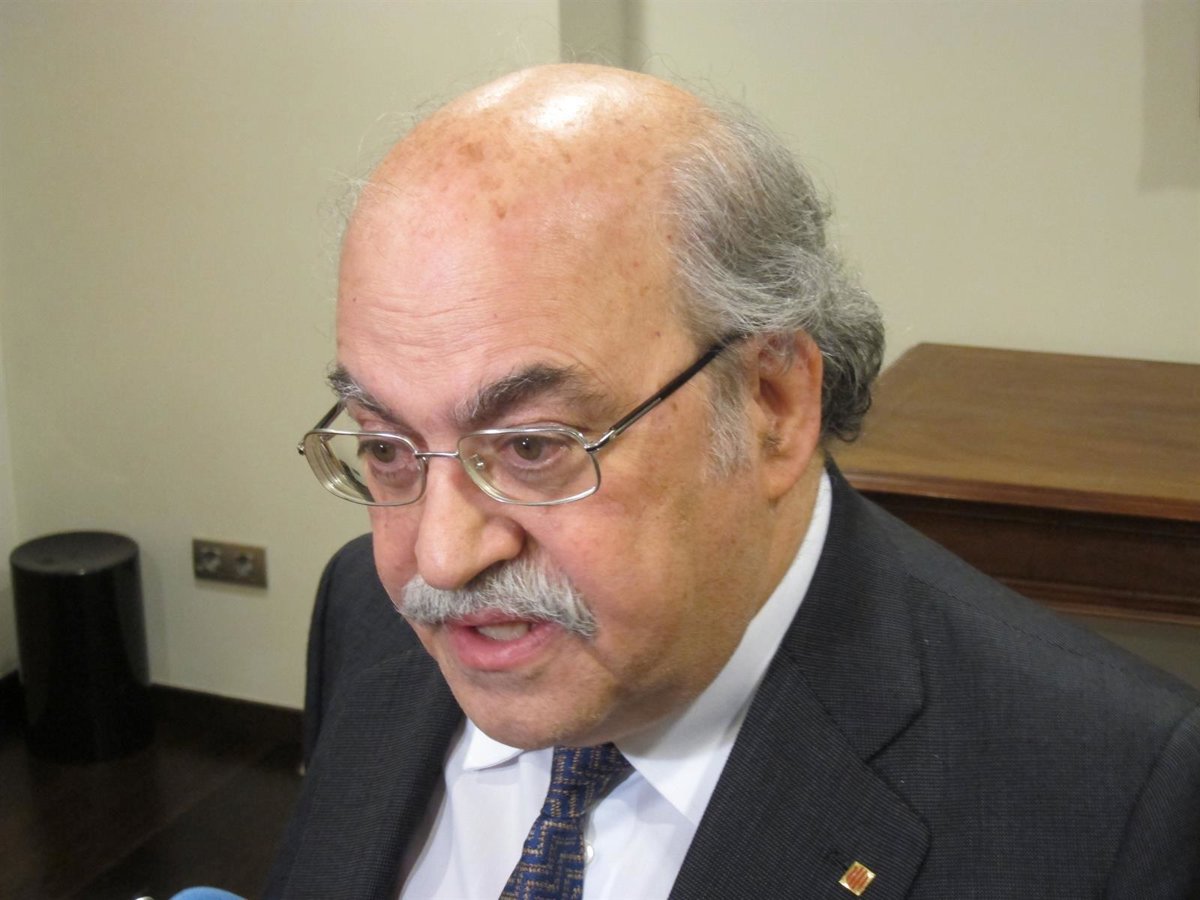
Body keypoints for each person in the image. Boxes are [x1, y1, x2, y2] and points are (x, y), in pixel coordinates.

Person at [268, 64, 1200, 899]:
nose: (438, 559)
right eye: (386, 448)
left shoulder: (1114, 800)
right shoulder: (363, 614)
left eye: (533, 447)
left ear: (772, 404)